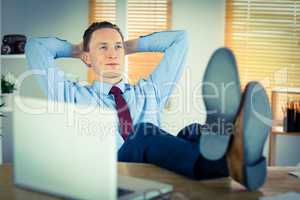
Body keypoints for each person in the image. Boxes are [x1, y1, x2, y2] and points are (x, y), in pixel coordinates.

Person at [25, 21, 272, 191]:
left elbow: (180, 40)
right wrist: (81, 50)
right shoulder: (71, 94)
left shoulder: (149, 90)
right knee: (144, 131)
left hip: (154, 164)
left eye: (117, 48)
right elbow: (36, 47)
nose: (113, 54)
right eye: (104, 48)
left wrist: (125, 45)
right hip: (108, 172)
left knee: (192, 131)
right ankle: (233, 158)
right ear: (88, 58)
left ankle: (235, 154)